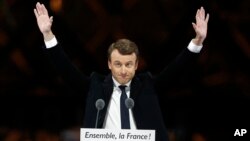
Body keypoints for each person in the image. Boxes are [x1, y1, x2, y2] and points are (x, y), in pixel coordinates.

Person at [34, 2, 209, 141]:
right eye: (118, 64)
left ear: (136, 65)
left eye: (128, 64)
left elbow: (176, 69)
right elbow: (66, 69)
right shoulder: (95, 86)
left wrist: (198, 40)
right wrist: (48, 34)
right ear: (109, 64)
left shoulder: (148, 85)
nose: (123, 70)